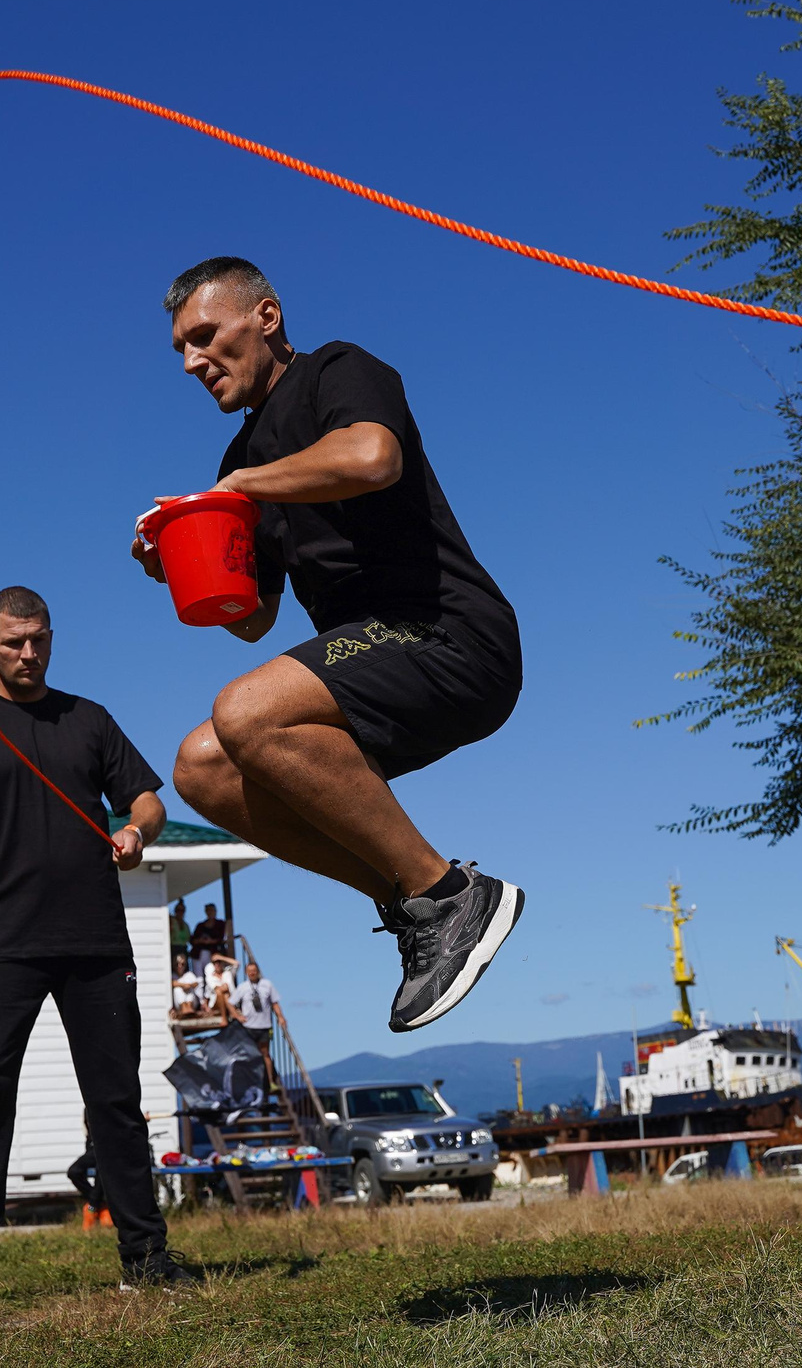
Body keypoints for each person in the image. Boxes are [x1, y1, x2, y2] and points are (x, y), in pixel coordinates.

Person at [139, 257, 524, 1031]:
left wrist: (241, 490)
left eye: (206, 337)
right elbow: (255, 618)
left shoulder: (338, 371)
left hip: (446, 632)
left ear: (267, 318)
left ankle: (452, 893)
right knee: (201, 768)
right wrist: (185, 567)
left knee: (244, 711)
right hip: (370, 661)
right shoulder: (237, 462)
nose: (192, 362)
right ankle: (414, 903)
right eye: (181, 348)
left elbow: (373, 458)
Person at [0, 585, 201, 1313]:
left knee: (116, 1101)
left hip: (95, 939)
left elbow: (149, 801)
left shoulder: (89, 719)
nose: (27, 652)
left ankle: (146, 1251)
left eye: (38, 638)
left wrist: (138, 832)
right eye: (13, 642)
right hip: (1, 942)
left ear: (51, 637)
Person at [230, 963, 280, 1036]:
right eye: (249, 971)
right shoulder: (242, 987)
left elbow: (275, 1002)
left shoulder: (267, 984)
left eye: (254, 971)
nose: (252, 973)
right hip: (248, 1026)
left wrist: (280, 1017)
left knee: (264, 1047)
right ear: (246, 972)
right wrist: (237, 1016)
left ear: (258, 971)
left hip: (265, 1025)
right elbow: (230, 1002)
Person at [187, 904, 228, 976]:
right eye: (208, 910)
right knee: (199, 976)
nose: (210, 912)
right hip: (198, 953)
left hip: (212, 952)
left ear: (215, 911)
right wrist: (200, 940)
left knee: (210, 973)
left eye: (211, 910)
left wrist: (211, 941)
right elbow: (193, 940)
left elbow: (220, 938)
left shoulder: (220, 924)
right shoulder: (200, 925)